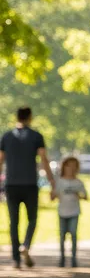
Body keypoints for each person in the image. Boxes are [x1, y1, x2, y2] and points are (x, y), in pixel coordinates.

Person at [0, 107, 56, 269]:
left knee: (13, 222)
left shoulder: (7, 136)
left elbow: (1, 160)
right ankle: (25, 245)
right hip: (30, 184)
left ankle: (16, 259)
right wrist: (51, 181)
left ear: (16, 116)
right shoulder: (36, 136)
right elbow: (44, 158)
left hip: (11, 184)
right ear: (30, 117)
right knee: (32, 219)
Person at [55, 156, 88, 267]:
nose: (71, 169)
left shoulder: (78, 182)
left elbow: (85, 196)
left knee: (73, 234)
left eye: (74, 167)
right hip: (62, 212)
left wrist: (79, 195)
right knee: (62, 235)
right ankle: (62, 258)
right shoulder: (59, 181)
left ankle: (74, 259)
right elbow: (53, 195)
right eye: (69, 166)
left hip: (74, 212)